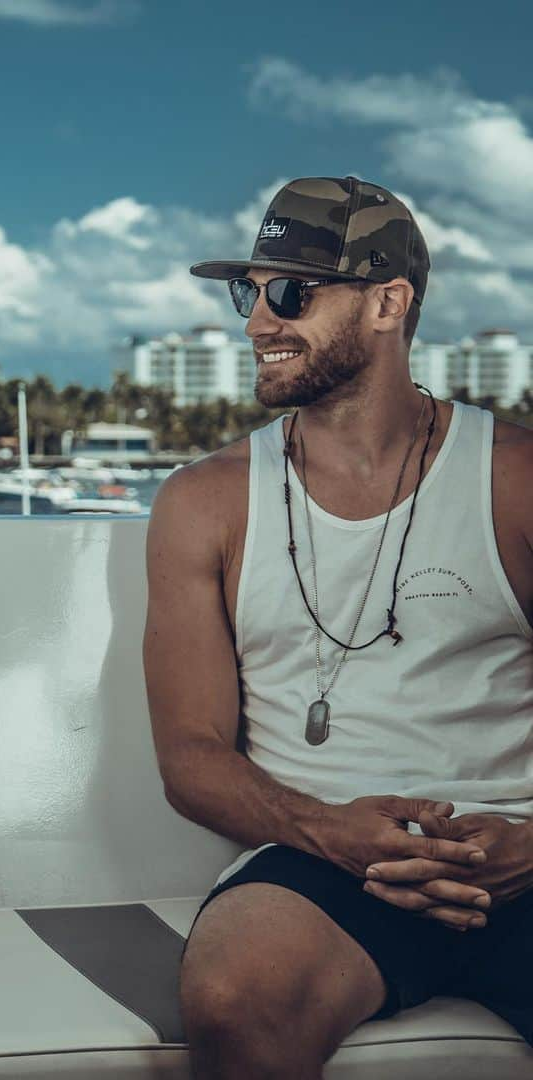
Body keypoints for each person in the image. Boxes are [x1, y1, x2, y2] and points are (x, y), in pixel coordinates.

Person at [144, 175, 533, 1078]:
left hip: (518, 843)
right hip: (321, 862)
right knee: (235, 1001)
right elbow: (191, 758)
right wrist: (327, 830)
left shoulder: (513, 479)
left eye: (290, 293)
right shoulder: (204, 504)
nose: (255, 324)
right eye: (251, 292)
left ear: (389, 303)